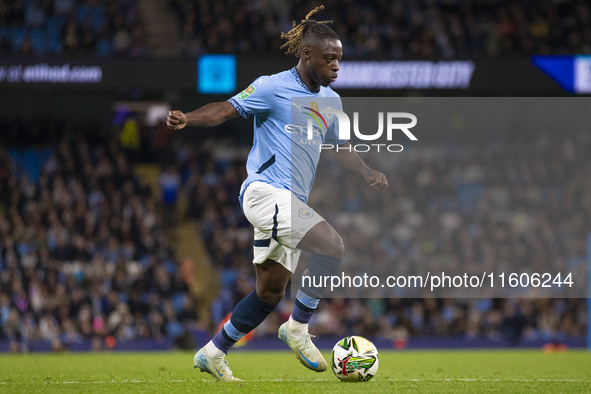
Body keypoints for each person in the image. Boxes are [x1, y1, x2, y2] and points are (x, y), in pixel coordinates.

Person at [166, 5, 387, 381]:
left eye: (340, 60)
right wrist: (189, 118)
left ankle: (212, 352)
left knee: (269, 292)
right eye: (330, 58)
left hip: (291, 203)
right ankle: (297, 327)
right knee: (333, 246)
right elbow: (225, 109)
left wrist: (366, 170)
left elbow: (340, 146)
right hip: (264, 194)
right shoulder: (272, 85)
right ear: (307, 55)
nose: (336, 66)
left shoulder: (332, 102)